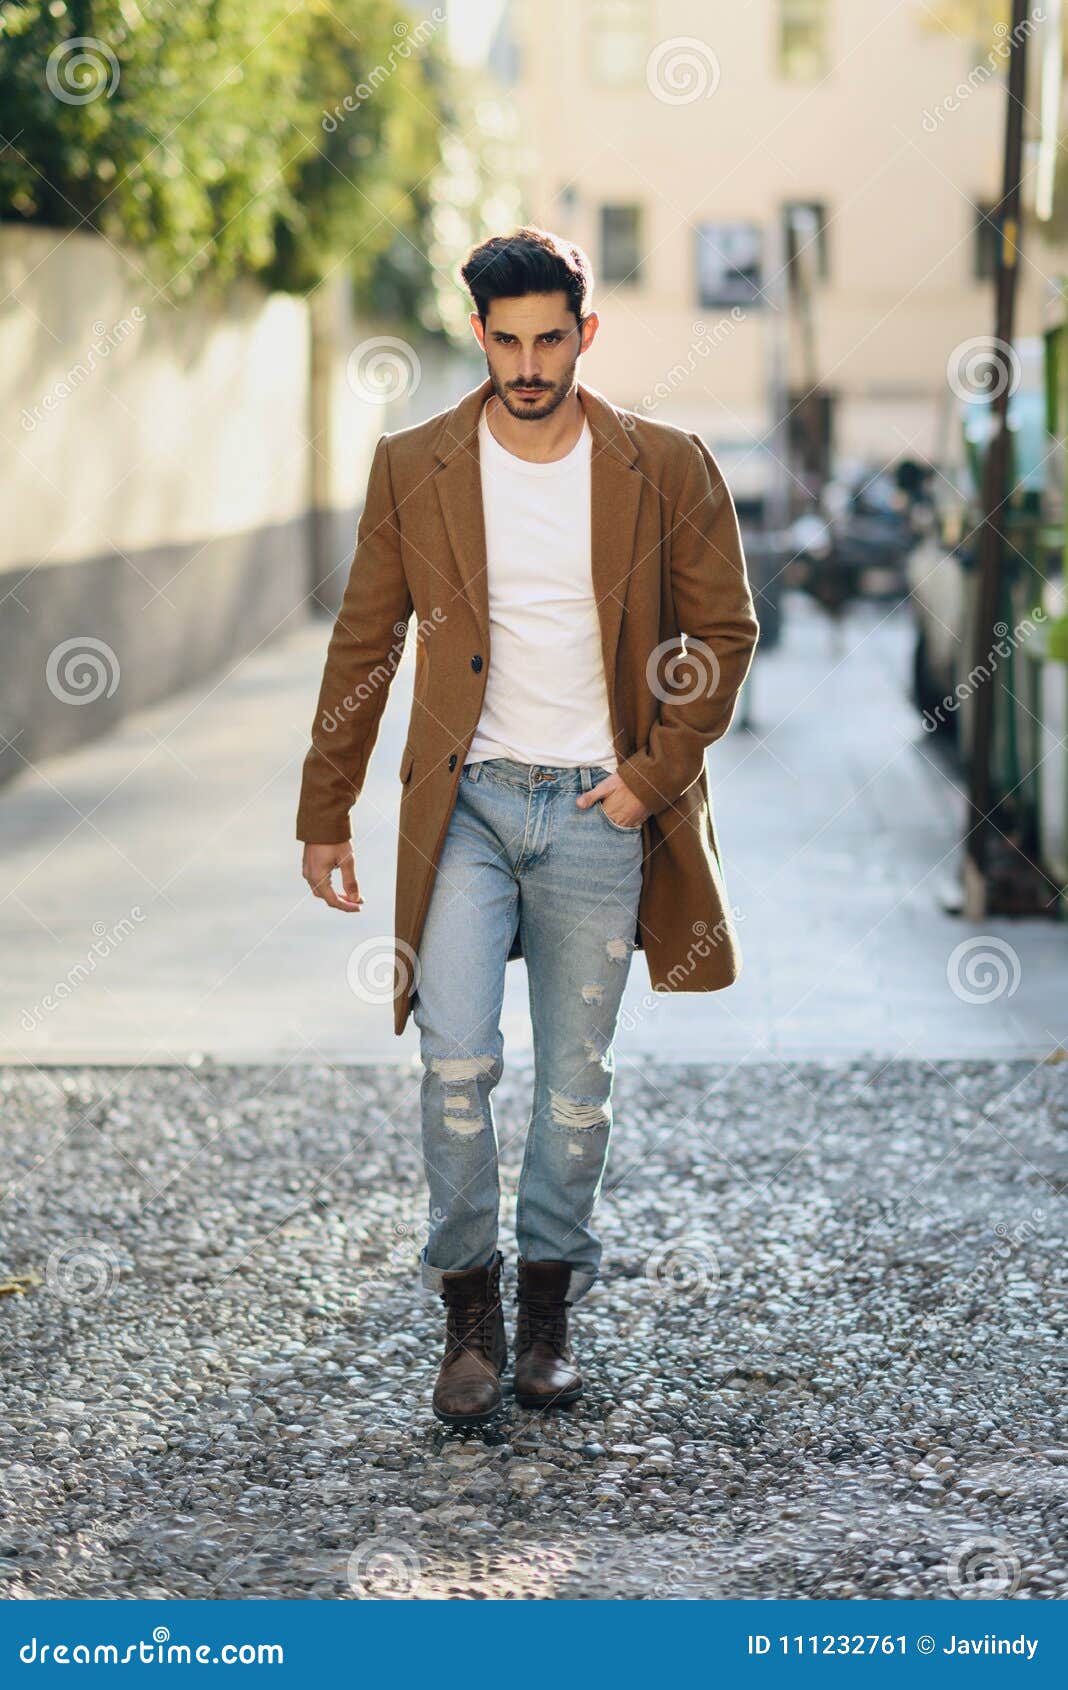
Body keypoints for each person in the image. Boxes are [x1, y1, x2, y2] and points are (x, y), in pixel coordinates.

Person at [297, 227, 759, 1426]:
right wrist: (326, 804)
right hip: (467, 802)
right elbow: (366, 638)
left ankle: (549, 1298)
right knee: (455, 1063)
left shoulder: (665, 463)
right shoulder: (416, 463)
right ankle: (469, 1309)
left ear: (585, 333)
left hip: (600, 808)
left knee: (573, 1086)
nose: (530, 364)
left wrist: (651, 779)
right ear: (479, 337)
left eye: (551, 338)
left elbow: (724, 636)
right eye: (508, 341)